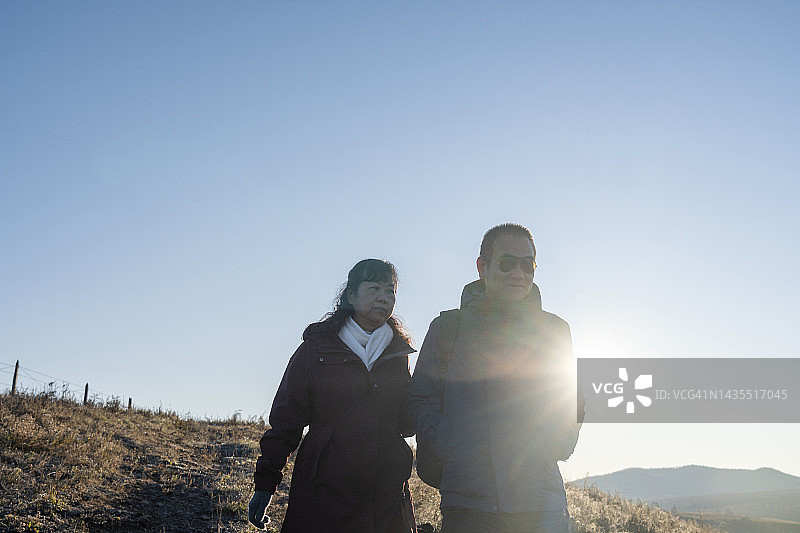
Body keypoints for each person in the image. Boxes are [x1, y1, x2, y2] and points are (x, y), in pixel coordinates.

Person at [409, 223, 583, 533]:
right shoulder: (447, 329)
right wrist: (447, 442)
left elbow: (571, 398)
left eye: (527, 264)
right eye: (507, 263)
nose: (518, 273)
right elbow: (422, 396)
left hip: (541, 505)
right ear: (482, 266)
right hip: (469, 506)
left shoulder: (555, 330)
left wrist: (559, 442)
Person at [249, 258, 417, 532]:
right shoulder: (317, 349)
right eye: (374, 288)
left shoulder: (397, 353)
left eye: (390, 291)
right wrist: (265, 484)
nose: (383, 298)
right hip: (324, 487)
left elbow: (406, 424)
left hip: (385, 491)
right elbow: (286, 420)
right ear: (350, 295)